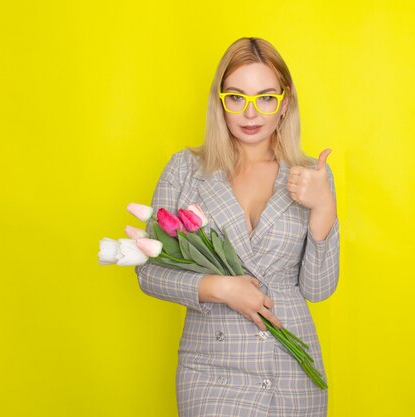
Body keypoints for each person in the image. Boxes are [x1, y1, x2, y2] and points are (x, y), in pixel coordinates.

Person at [135, 37, 340, 417]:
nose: (250, 113)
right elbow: (148, 271)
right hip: (211, 371)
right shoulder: (185, 170)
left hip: (291, 370)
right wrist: (221, 288)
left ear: (285, 104)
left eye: (265, 98)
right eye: (236, 97)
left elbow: (318, 288)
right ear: (220, 102)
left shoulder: (309, 176)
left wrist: (323, 205)